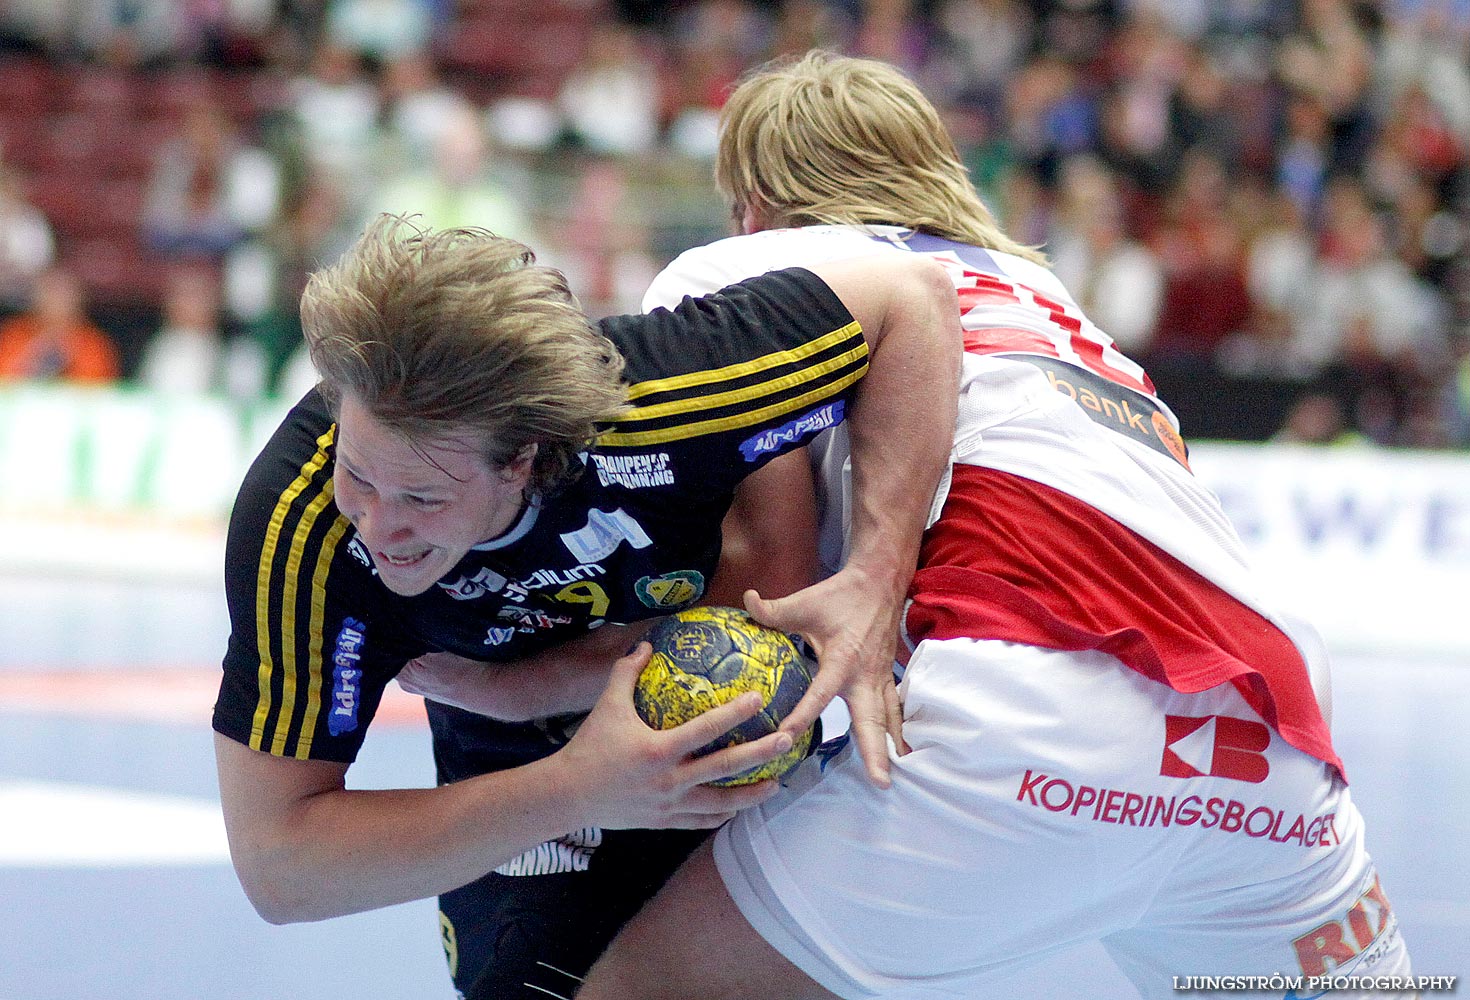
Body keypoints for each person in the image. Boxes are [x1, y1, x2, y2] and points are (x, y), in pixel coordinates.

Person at [573, 51, 1412, 997]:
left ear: (755, 199)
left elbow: (771, 574)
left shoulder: (736, 271)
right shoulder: (1055, 302)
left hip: (1027, 718)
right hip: (1272, 745)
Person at [212, 213, 959, 999]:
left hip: (707, 684)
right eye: (359, 475)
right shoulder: (303, 527)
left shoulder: (658, 402)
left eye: (423, 497)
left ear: (523, 463)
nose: (377, 523)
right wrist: (575, 785)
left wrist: (879, 576)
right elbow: (280, 867)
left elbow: (912, 299)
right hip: (506, 749)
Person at [0, 267, 118, 383]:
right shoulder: (13, 334)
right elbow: (5, 380)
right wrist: (35, 353)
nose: (56, 302)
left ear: (78, 301)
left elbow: (97, 387)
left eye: (63, 296)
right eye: (49, 293)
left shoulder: (94, 343)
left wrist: (68, 352)